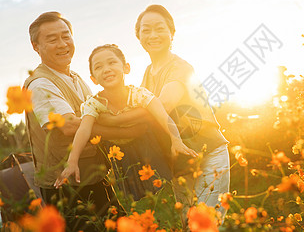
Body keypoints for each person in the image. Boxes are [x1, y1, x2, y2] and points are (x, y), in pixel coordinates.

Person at [23, 12, 143, 231]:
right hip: (66, 187)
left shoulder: (77, 78)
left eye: (66, 36)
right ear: (35, 46)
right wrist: (127, 129)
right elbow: (69, 125)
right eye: (52, 39)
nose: (62, 44)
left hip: (94, 177)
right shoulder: (39, 85)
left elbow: (95, 114)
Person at [54, 44, 197, 200]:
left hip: (148, 145)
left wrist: (176, 140)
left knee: (162, 188)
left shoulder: (139, 94)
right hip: (120, 153)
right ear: (93, 79)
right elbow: (84, 130)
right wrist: (72, 160)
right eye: (99, 66)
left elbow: (163, 115)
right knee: (134, 196)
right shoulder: (94, 103)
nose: (106, 69)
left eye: (112, 62)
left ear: (126, 68)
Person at [136, 5, 230, 221]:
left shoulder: (180, 67)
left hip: (208, 153)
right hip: (181, 161)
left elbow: (163, 104)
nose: (153, 35)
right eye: (146, 30)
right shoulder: (148, 72)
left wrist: (112, 123)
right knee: (188, 223)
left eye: (159, 28)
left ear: (172, 33)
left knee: (208, 223)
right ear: (139, 36)